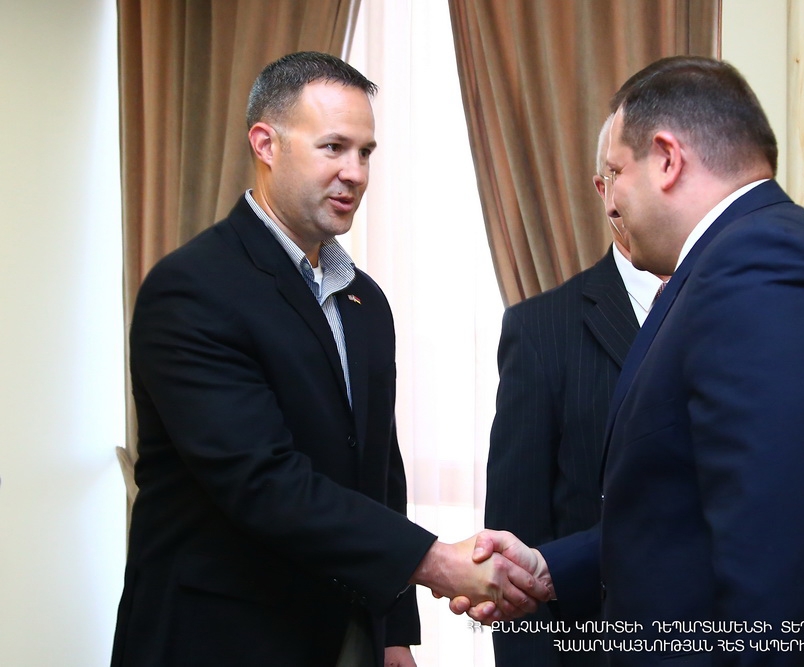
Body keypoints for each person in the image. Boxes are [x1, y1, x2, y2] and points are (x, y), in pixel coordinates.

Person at [461, 56, 804, 666]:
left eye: (616, 171)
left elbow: (780, 562)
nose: (610, 202)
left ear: (667, 159)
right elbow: (692, 513)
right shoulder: (741, 258)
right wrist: (549, 568)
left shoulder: (760, 266)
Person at [110, 51, 547, 667]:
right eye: (334, 148)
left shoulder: (366, 301)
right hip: (220, 638)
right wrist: (437, 562)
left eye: (366, 152)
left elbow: (379, 473)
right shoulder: (192, 289)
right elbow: (261, 481)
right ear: (266, 144)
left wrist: (394, 632)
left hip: (346, 632)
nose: (355, 173)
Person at [485, 114, 664, 667]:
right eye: (620, 175)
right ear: (603, 190)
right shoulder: (540, 329)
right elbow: (517, 539)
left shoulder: (732, 309)